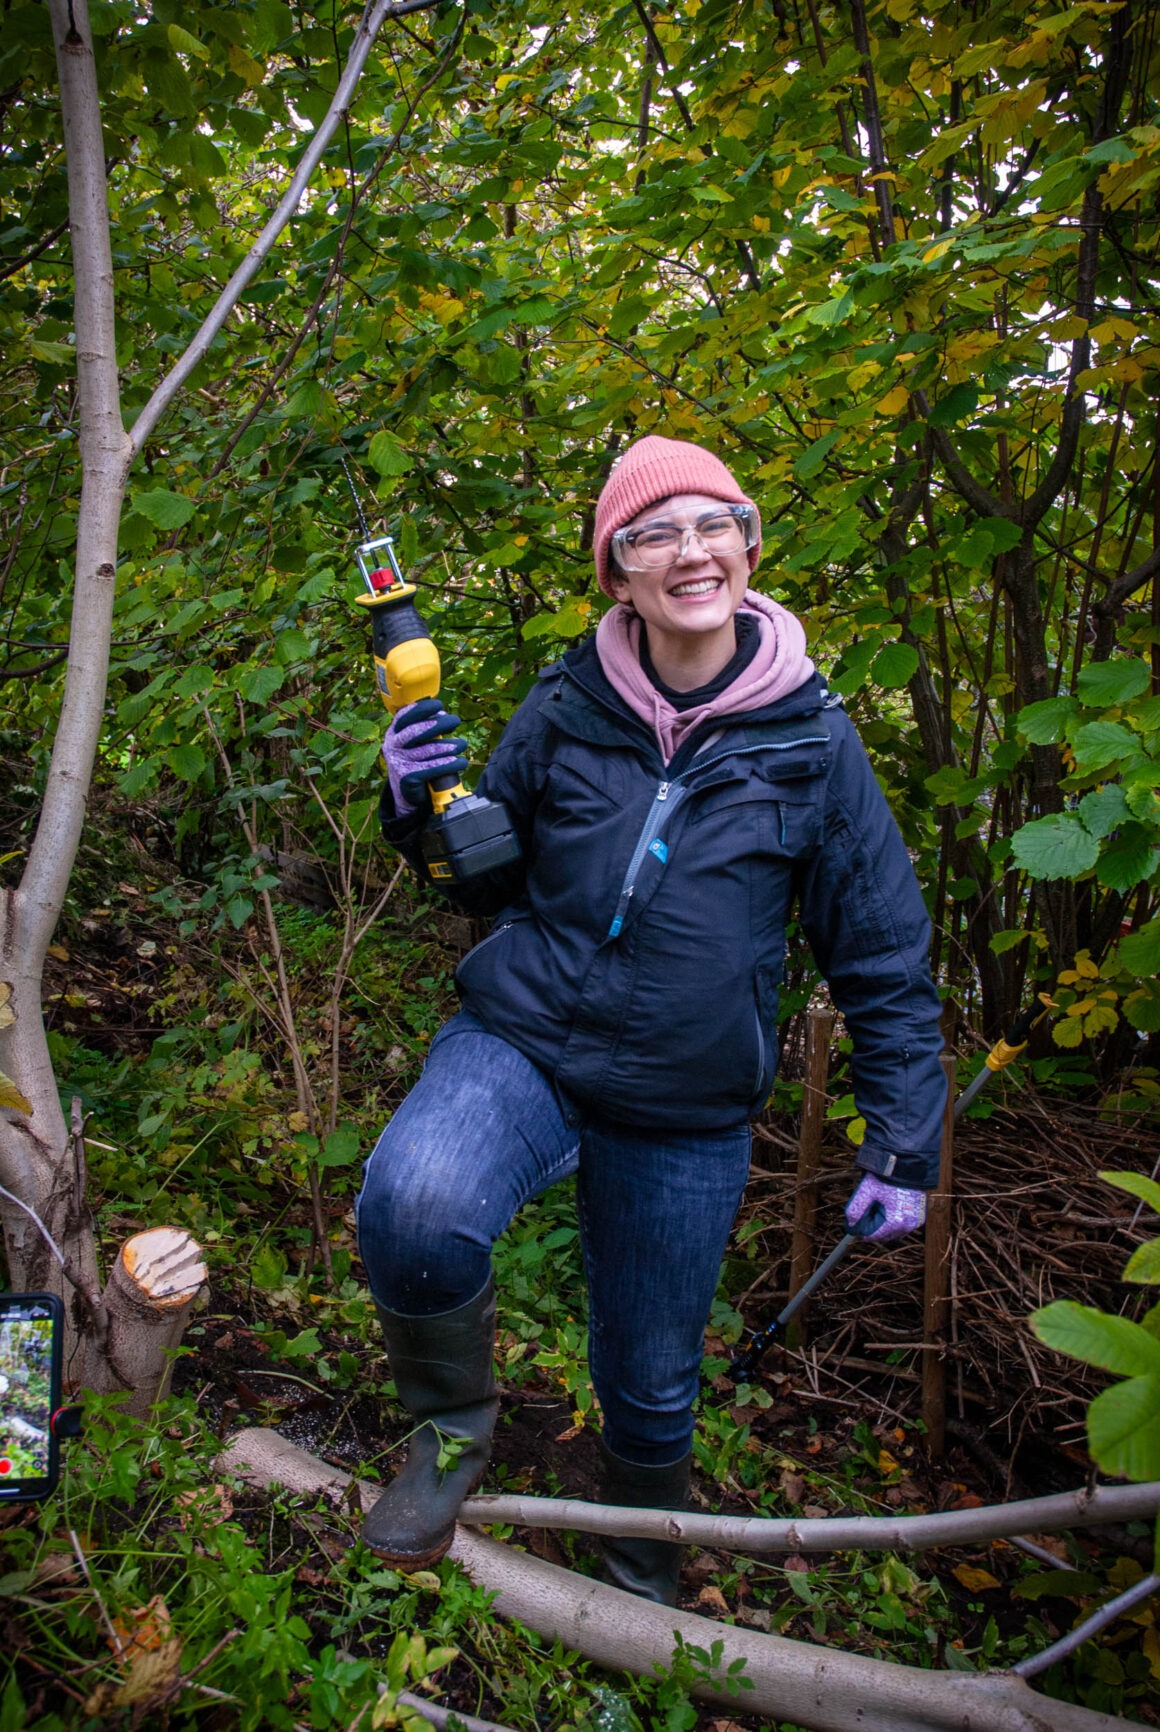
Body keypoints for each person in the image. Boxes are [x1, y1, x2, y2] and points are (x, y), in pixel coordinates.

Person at [355, 435, 946, 1603]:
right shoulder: (569, 698)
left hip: (685, 1101)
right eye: (651, 533)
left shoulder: (813, 742)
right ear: (615, 573)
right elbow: (483, 874)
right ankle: (452, 1431)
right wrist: (411, 796)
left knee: (652, 1373)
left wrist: (904, 1141)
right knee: (413, 1205)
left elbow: (878, 952)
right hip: (524, 1040)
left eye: (713, 522)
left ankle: (636, 1558)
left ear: (748, 545)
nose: (690, 551)